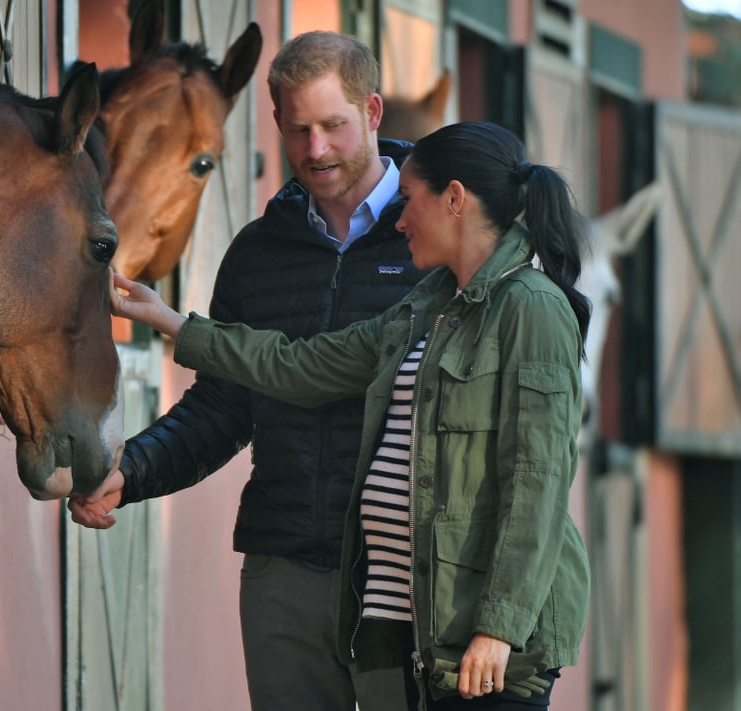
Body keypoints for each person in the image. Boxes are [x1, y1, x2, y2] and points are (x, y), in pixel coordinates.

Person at [104, 121, 591, 711]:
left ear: (455, 199)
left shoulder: (532, 308)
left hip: (480, 648)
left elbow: (536, 485)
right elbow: (302, 365)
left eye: (409, 201)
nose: (400, 219)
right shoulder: (428, 305)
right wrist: (171, 322)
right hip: (409, 630)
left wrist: (500, 628)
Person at [69, 31, 428, 711]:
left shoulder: (432, 238)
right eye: (298, 130)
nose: (315, 149)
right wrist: (132, 470)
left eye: (333, 126)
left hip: (405, 572)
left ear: (374, 112)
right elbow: (224, 407)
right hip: (285, 568)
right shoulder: (258, 253)